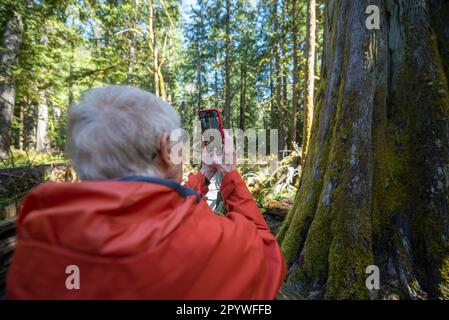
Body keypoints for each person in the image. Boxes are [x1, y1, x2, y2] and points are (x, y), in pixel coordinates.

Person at [6, 85, 287, 299]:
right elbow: (267, 254)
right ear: (166, 149)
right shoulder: (211, 242)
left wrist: (205, 174)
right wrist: (230, 174)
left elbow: (148, 204)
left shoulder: (38, 235)